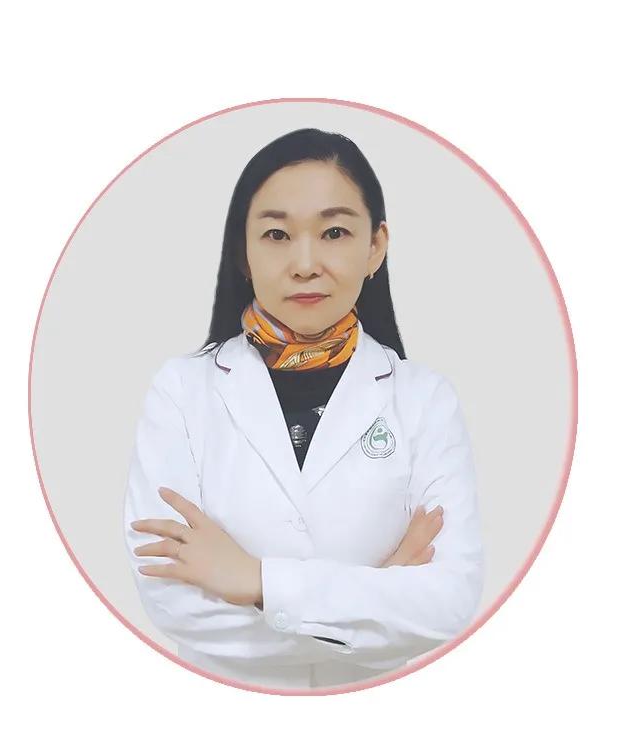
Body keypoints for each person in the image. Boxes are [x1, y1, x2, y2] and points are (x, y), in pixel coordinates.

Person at [123, 128, 485, 690]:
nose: (305, 263)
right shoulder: (181, 391)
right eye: (276, 234)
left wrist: (256, 581)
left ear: (376, 246)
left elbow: (449, 601)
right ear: (242, 252)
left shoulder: (424, 399)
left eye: (335, 232)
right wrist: (380, 594)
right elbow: (172, 601)